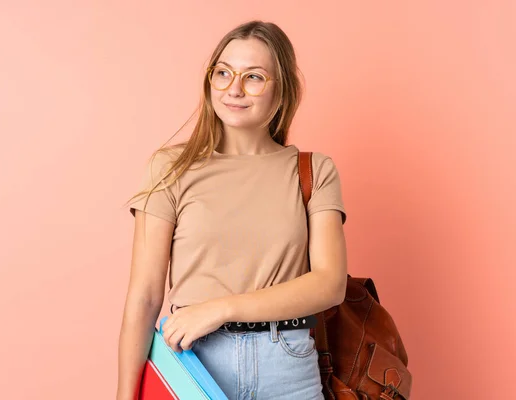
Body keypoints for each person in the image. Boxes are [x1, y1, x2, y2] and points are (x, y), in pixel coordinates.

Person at [117, 20, 348, 400]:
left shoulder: (313, 171)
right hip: (194, 364)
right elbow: (143, 296)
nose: (233, 89)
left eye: (253, 77)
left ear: (283, 91)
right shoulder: (170, 168)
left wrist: (222, 309)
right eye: (222, 73)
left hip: (286, 366)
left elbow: (329, 282)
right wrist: (126, 396)